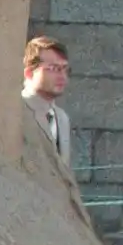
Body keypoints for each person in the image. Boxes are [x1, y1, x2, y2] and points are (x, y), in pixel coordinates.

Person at [22, 34, 73, 165]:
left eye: (65, 69)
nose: (62, 76)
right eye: (53, 69)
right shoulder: (16, 112)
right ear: (29, 73)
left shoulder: (62, 118)